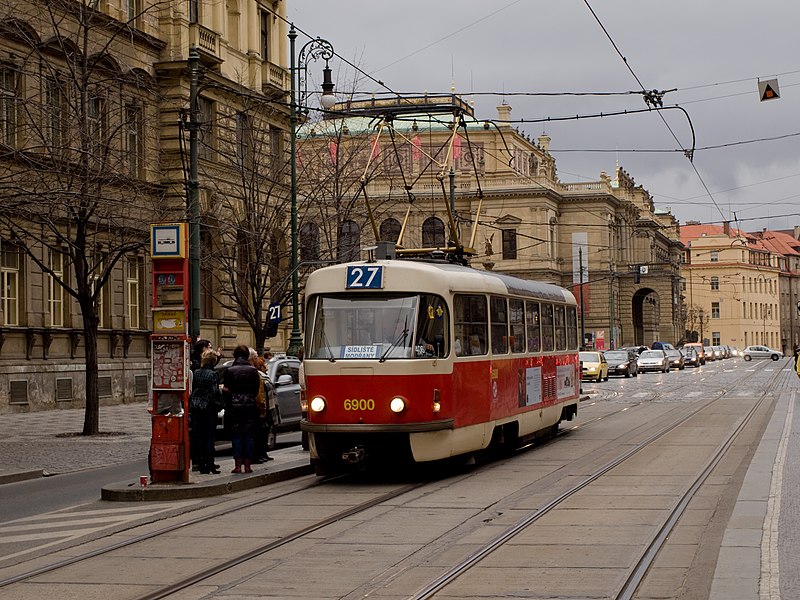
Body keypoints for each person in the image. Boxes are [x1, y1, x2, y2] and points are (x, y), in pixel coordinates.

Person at [222, 344, 261, 474]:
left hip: (234, 405)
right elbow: (256, 390)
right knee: (249, 435)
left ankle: (238, 465)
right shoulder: (253, 371)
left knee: (237, 435)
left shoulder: (230, 371)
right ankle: (248, 465)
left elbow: (226, 389)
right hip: (249, 405)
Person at [189, 348, 223, 474]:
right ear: (213, 361)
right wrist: (220, 404)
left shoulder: (196, 372)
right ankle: (210, 464)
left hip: (197, 407)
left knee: (199, 436)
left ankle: (201, 464)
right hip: (208, 408)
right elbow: (214, 392)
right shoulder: (213, 374)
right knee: (209, 437)